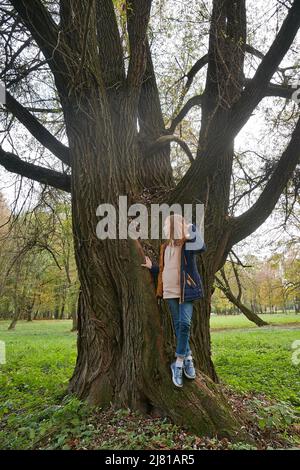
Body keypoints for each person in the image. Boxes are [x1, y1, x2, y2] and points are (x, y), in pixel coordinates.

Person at [141, 214, 206, 388]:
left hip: (185, 291)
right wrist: (152, 267)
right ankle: (188, 357)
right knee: (178, 325)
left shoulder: (188, 245)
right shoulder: (164, 247)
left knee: (185, 324)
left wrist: (191, 227)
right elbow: (164, 269)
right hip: (169, 291)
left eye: (167, 226)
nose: (164, 229)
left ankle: (178, 362)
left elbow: (201, 246)